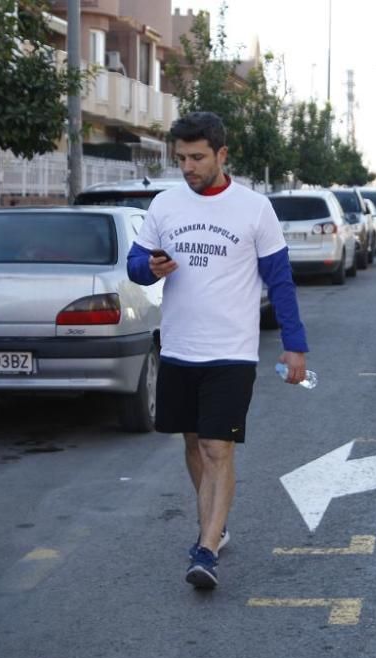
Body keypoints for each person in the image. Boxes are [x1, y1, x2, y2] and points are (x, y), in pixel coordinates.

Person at [125, 111, 309, 590]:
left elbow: (280, 280)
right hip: (180, 347)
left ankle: (205, 550)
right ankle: (217, 525)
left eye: (198, 157)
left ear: (222, 155)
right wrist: (151, 266)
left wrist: (295, 346)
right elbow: (134, 265)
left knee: (216, 446)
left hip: (232, 351)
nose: (188, 166)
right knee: (192, 443)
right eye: (181, 157)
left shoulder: (254, 209)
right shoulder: (165, 205)